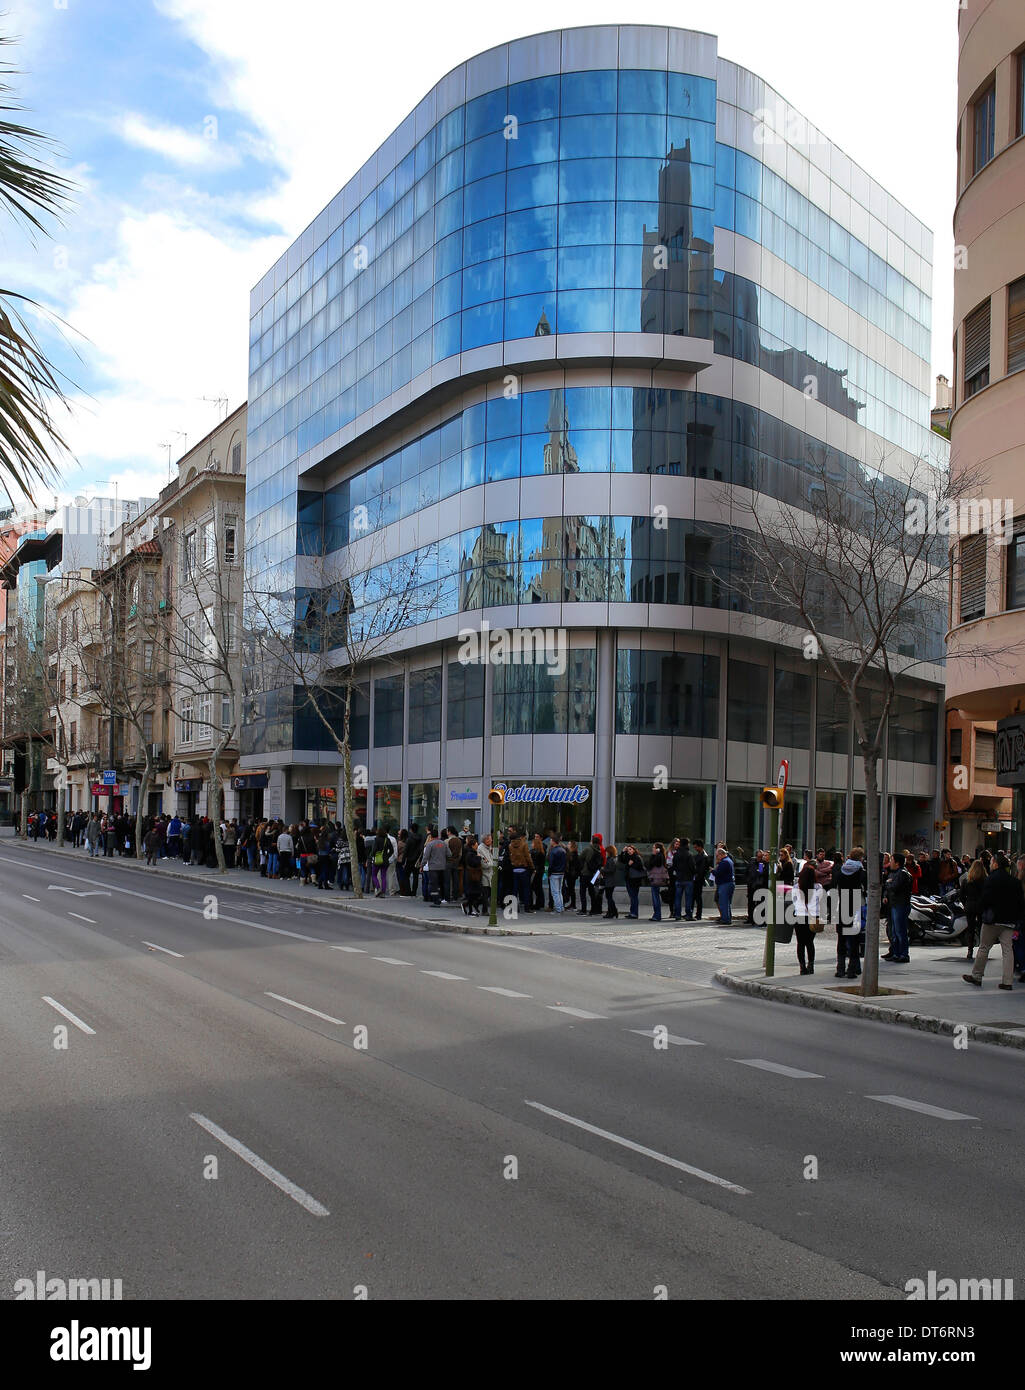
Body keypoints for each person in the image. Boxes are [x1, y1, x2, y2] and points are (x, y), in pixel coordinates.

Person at [963, 851, 1023, 991]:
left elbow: (986, 899)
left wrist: (979, 910)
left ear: (995, 864)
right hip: (1009, 921)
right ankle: (1007, 982)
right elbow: (1020, 902)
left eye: (991, 863)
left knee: (984, 947)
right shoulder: (1014, 881)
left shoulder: (991, 879)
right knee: (1008, 950)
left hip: (993, 920)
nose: (990, 865)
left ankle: (977, 976)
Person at [836, 847, 868, 979]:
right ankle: (851, 970)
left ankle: (840, 969)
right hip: (855, 905)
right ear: (860, 858)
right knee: (854, 939)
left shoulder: (841, 870)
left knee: (841, 939)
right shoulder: (861, 872)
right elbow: (866, 888)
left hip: (842, 904)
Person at [882, 851, 913, 964]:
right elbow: (888, 886)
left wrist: (888, 884)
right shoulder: (893, 873)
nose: (890, 862)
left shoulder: (903, 873)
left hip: (900, 904)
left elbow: (894, 887)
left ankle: (903, 954)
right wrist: (886, 894)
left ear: (897, 863)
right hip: (893, 904)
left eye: (891, 860)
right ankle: (896, 953)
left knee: (900, 931)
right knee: (894, 931)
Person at [795, 853, 817, 972]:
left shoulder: (796, 888)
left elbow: (793, 902)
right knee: (810, 942)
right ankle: (811, 965)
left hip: (799, 916)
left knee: (800, 943)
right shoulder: (818, 887)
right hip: (812, 916)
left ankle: (802, 966)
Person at [961, 859, 985, 962]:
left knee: (970, 928)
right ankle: (982, 950)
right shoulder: (984, 880)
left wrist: (965, 903)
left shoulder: (966, 880)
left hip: (970, 905)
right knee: (981, 928)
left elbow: (961, 895)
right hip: (980, 905)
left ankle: (970, 950)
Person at [508, 830, 533, 913]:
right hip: (523, 869)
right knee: (526, 889)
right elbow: (528, 857)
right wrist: (532, 867)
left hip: (514, 869)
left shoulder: (510, 845)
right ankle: (527, 907)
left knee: (515, 890)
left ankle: (515, 907)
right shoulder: (524, 845)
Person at [621, 844, 646, 919]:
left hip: (635, 880)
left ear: (634, 850)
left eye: (630, 849)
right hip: (629, 879)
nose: (629, 851)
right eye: (628, 849)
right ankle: (632, 912)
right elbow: (621, 860)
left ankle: (634, 913)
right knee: (632, 897)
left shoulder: (637, 857)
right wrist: (623, 851)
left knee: (634, 896)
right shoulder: (628, 857)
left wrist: (631, 865)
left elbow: (640, 867)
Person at [647, 842, 669, 922]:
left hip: (656, 879)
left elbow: (651, 864)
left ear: (658, 849)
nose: (653, 849)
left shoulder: (659, 856)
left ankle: (657, 915)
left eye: (654, 847)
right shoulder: (660, 856)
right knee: (655, 896)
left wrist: (653, 855)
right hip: (656, 878)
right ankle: (656, 914)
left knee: (655, 897)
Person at [713, 846, 735, 924]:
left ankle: (725, 919)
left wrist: (713, 871)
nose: (716, 857)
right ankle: (727, 918)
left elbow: (719, 873)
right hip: (728, 883)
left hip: (725, 884)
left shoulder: (724, 862)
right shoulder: (729, 860)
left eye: (717, 856)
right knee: (726, 902)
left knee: (724, 902)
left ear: (721, 854)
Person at [462, 838, 484, 915]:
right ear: (472, 846)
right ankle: (470, 908)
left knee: (475, 893)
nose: (477, 847)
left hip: (473, 875)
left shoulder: (471, 853)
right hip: (472, 875)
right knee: (473, 893)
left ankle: (469, 906)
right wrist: (479, 857)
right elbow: (475, 863)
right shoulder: (470, 854)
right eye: (476, 845)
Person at [547, 834, 567, 913]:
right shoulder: (563, 850)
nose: (550, 842)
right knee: (559, 891)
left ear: (553, 841)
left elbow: (551, 864)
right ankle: (561, 907)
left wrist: (549, 873)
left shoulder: (553, 851)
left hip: (554, 873)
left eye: (551, 840)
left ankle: (558, 909)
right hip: (561, 872)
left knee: (555, 892)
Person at [691, 839, 710, 919]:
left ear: (700, 847)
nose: (695, 849)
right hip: (697, 879)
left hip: (698, 880)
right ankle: (692, 913)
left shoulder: (704, 856)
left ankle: (698, 914)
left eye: (696, 847)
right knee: (694, 897)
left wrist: (696, 877)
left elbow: (702, 870)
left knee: (697, 897)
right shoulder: (700, 855)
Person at [601, 845, 619, 918]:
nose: (606, 853)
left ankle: (612, 912)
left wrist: (603, 870)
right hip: (610, 880)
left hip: (610, 881)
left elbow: (611, 870)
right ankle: (612, 911)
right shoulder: (613, 858)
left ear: (610, 852)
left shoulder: (611, 859)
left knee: (609, 897)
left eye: (607, 852)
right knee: (609, 897)